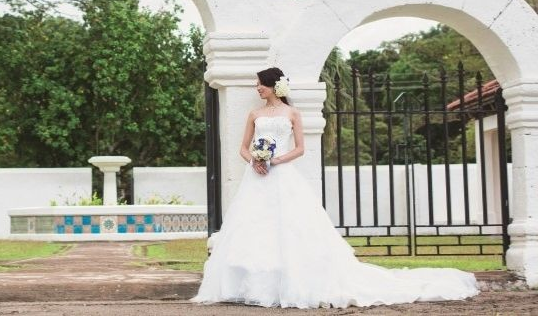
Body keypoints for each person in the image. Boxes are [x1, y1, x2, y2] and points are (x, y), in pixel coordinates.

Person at [192, 67, 479, 308]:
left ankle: (290, 282)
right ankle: (250, 285)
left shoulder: (292, 113)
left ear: (273, 86)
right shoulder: (254, 115)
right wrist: (254, 160)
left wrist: (275, 160)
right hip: (255, 178)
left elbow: (300, 148)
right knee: (253, 226)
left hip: (281, 175)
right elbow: (243, 148)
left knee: (289, 226)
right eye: (257, 84)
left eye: (260, 84)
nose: (257, 88)